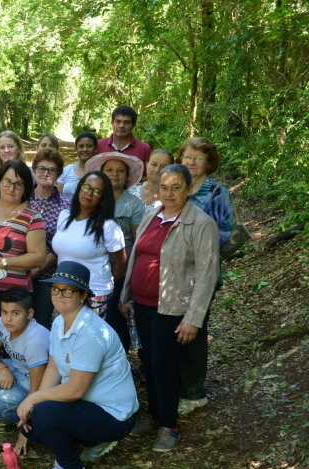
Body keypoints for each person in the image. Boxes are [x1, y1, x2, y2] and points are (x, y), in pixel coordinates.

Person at [119, 164, 219, 452]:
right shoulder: (152, 215)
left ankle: (168, 426)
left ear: (189, 189)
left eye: (177, 187)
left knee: (163, 368)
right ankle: (154, 416)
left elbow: (207, 275)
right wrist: (126, 295)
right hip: (143, 305)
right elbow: (136, 258)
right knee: (148, 364)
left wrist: (193, 319)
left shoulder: (201, 224)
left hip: (172, 309)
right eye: (165, 187)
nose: (170, 193)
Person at [17, 261, 138, 469]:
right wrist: (34, 403)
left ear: (83, 295)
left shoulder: (89, 332)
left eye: (67, 291)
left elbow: (75, 390)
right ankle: (92, 440)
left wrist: (33, 400)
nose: (59, 295)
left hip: (115, 415)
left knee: (43, 413)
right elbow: (53, 368)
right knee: (33, 426)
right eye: (55, 289)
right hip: (89, 405)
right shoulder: (59, 322)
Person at [175, 137, 233, 415]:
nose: (192, 162)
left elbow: (224, 231)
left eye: (198, 158)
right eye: (188, 157)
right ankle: (176, 385)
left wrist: (192, 249)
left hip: (201, 273)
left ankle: (194, 392)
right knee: (174, 328)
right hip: (172, 274)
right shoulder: (177, 187)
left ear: (208, 162)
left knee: (194, 331)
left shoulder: (216, 192)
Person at [0, 160, 46, 332]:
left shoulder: (32, 217)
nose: (11, 188)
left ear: (25, 188)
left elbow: (39, 257)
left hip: (15, 297)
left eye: (18, 184)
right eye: (7, 182)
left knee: (13, 346)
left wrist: (2, 262)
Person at [84, 152, 144, 350]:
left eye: (120, 171)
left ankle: (119, 364)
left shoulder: (133, 204)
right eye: (109, 169)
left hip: (120, 272)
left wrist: (122, 275)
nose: (114, 174)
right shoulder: (93, 198)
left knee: (117, 321)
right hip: (91, 272)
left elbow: (137, 242)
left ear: (127, 176)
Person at [0, 287, 49, 431]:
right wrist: (2, 369)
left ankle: (25, 419)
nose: (8, 319)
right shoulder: (3, 323)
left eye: (15, 313)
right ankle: (5, 405)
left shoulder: (35, 340)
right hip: (15, 368)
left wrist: (30, 409)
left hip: (33, 380)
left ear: (29, 313)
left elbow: (36, 389)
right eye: (4, 312)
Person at [51, 172, 126, 319]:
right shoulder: (64, 215)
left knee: (89, 340)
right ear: (79, 188)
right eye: (86, 187)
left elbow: (121, 263)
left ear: (103, 199)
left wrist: (106, 286)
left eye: (97, 191)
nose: (89, 193)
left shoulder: (108, 226)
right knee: (62, 336)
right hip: (64, 290)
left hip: (94, 293)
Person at [27, 148, 71, 329]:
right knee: (16, 320)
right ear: (34, 170)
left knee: (40, 323)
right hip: (18, 271)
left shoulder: (65, 205)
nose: (46, 174)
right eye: (41, 169)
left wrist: (37, 269)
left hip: (46, 276)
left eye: (51, 170)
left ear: (58, 174)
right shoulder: (23, 198)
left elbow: (61, 245)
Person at [97, 105, 152, 182]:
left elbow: (148, 177)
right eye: (118, 121)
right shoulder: (98, 145)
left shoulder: (144, 149)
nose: (121, 126)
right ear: (112, 123)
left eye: (126, 122)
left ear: (133, 125)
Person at [57, 132, 98, 201]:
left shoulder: (100, 172)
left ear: (95, 148)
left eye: (89, 146)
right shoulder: (66, 170)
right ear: (76, 148)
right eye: (81, 146)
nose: (85, 149)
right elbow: (58, 197)